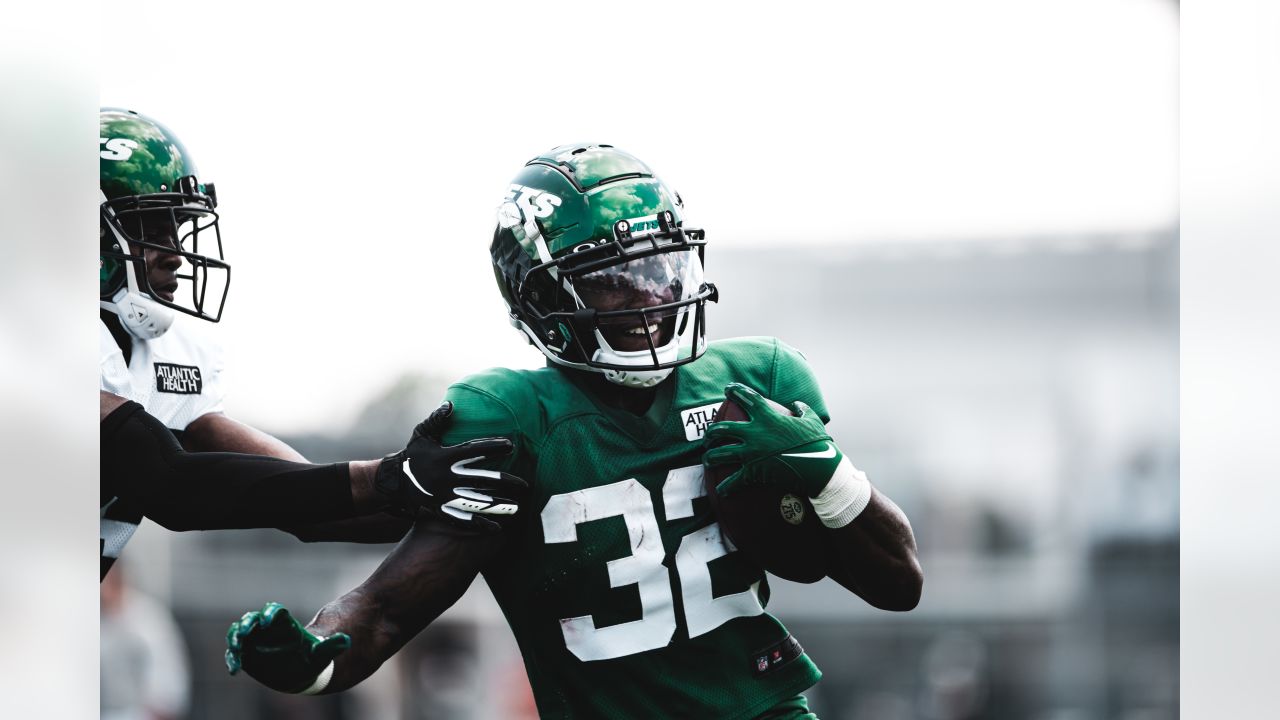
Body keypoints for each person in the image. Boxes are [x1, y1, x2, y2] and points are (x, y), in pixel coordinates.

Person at [225, 144, 923, 716]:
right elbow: (385, 608)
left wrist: (826, 471)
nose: (650, 297)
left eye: (660, 267)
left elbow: (898, 583)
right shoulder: (509, 420)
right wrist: (315, 658)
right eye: (614, 281)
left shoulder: (756, 382)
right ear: (542, 296)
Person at [99, 108, 525, 580]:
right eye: (152, 229)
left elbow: (308, 503)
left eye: (178, 229)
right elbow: (171, 487)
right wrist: (389, 477)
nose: (177, 255)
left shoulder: (164, 354)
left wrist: (443, 493)